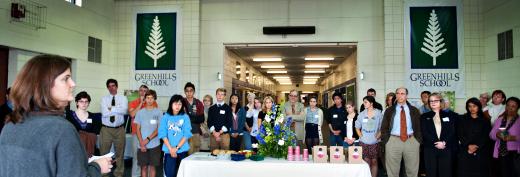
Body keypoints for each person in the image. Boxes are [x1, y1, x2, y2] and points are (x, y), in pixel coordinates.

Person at [0, 54, 111, 176]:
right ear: (44, 85)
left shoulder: (11, 125)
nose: (73, 84)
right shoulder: (61, 129)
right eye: (65, 78)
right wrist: (97, 167)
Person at [381, 87, 422, 177]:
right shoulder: (389, 110)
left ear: (406, 96)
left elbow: (419, 127)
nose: (400, 95)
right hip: (393, 141)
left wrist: (417, 141)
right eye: (398, 93)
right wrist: (387, 141)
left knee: (412, 170)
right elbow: (383, 127)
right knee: (392, 171)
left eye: (402, 93)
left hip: (411, 140)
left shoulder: (414, 110)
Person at [421, 93, 458, 177]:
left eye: (436, 100)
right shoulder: (424, 116)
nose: (433, 102)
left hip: (445, 147)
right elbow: (424, 132)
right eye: (431, 101)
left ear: (440, 101)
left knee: (445, 172)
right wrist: (436, 142)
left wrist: (444, 143)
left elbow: (452, 131)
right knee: (431, 172)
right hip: (430, 148)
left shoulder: (449, 115)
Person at [99, 78, 128, 177]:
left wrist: (111, 108)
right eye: (109, 86)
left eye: (113, 86)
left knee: (120, 153)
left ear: (117, 86)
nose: (111, 88)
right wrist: (117, 109)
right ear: (107, 88)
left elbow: (124, 111)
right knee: (104, 153)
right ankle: (104, 173)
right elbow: (105, 113)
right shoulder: (104, 99)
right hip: (106, 129)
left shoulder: (123, 98)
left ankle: (119, 173)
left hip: (119, 129)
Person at [158, 94, 192, 177]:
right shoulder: (166, 117)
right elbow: (162, 134)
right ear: (171, 104)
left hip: (182, 150)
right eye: (175, 103)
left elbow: (187, 134)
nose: (178, 106)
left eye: (180, 104)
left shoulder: (185, 117)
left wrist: (176, 148)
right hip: (168, 150)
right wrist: (171, 149)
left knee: (183, 174)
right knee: (169, 174)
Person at [457, 98, 491, 177]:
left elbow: (486, 136)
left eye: (474, 106)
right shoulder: (462, 119)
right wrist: (468, 145)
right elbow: (460, 134)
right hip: (465, 149)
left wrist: (477, 146)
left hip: (480, 150)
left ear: (479, 106)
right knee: (465, 172)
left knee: (479, 172)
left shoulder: (485, 120)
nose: (472, 108)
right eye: (469, 106)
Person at [128, 84, 157, 177]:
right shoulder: (132, 102)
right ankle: (135, 175)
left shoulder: (153, 103)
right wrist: (141, 103)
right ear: (138, 92)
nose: (143, 92)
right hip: (136, 134)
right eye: (141, 90)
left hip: (149, 136)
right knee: (136, 157)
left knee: (148, 158)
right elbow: (132, 115)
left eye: (145, 91)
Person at [489, 97, 520, 177]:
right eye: (508, 105)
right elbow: (491, 134)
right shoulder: (500, 120)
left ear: (518, 108)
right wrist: (497, 134)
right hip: (501, 152)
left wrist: (513, 138)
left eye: (513, 106)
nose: (510, 108)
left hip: (515, 154)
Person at [65, 91, 102, 158]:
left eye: (86, 101)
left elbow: (95, 132)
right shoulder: (69, 116)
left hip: (89, 150)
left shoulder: (93, 116)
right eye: (81, 101)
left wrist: (82, 134)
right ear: (77, 102)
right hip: (74, 149)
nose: (84, 103)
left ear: (88, 103)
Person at [134, 90, 162, 177]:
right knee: (144, 168)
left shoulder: (159, 112)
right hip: (142, 145)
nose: (149, 100)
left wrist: (148, 139)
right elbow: (137, 129)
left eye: (152, 98)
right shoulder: (140, 112)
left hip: (154, 145)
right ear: (145, 99)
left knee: (152, 167)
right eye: (148, 98)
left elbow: (159, 128)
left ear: (155, 99)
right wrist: (142, 143)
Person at [356, 96, 383, 177]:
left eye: (365, 102)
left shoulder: (378, 113)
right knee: (367, 162)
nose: (364, 104)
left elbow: (382, 127)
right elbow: (357, 127)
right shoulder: (362, 114)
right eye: (363, 102)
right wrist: (361, 136)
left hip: (374, 142)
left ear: (371, 103)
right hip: (364, 142)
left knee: (374, 161)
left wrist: (378, 136)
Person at [182, 82, 204, 154]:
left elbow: (201, 119)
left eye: (191, 90)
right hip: (184, 133)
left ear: (194, 92)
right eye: (187, 91)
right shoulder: (181, 102)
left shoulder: (198, 103)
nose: (189, 93)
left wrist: (189, 118)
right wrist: (195, 118)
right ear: (185, 92)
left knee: (196, 153)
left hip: (196, 132)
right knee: (186, 153)